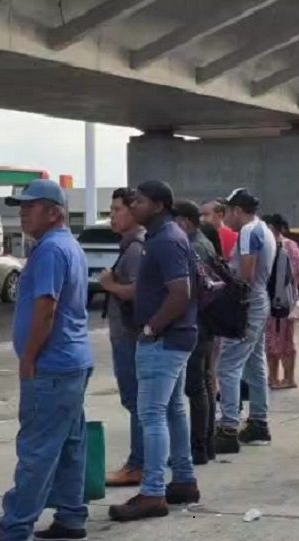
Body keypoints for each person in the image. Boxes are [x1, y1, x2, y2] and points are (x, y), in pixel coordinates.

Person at [0, 180, 93, 541]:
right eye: (21, 206)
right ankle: (71, 516)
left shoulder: (51, 250)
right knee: (69, 443)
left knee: (37, 450)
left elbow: (46, 308)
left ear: (55, 212)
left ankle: (14, 528)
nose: (22, 213)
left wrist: (29, 356)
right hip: (72, 360)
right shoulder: (68, 246)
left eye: (30, 206)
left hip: (52, 365)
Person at [108, 181, 199, 521]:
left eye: (140, 201)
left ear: (158, 205)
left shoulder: (166, 240)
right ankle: (184, 480)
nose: (134, 206)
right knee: (173, 410)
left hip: (164, 339)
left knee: (151, 414)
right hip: (174, 337)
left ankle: (153, 492)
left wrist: (151, 328)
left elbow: (180, 292)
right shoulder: (163, 236)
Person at [214, 188, 277, 454]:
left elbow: (245, 274)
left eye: (227, 210)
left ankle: (228, 426)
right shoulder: (265, 229)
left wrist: (224, 278)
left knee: (228, 365)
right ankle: (258, 422)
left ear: (237, 210)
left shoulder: (248, 232)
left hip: (248, 302)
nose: (225, 216)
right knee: (255, 363)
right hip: (260, 300)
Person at [99, 187, 146, 488]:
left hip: (131, 337)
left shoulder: (136, 248)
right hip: (127, 335)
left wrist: (110, 285)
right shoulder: (130, 246)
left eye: (118, 209)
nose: (113, 216)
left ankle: (138, 464)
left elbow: (139, 292)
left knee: (137, 402)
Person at [173, 200, 218, 464]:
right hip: (207, 323)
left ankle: (199, 446)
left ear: (185, 222)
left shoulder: (193, 247)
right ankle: (206, 444)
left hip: (198, 323)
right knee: (204, 383)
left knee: (196, 386)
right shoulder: (204, 243)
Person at [263, 214, 299, 390]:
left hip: (278, 300)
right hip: (288, 298)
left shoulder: (279, 246)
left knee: (277, 340)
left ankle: (280, 378)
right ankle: (281, 377)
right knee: (283, 339)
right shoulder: (291, 245)